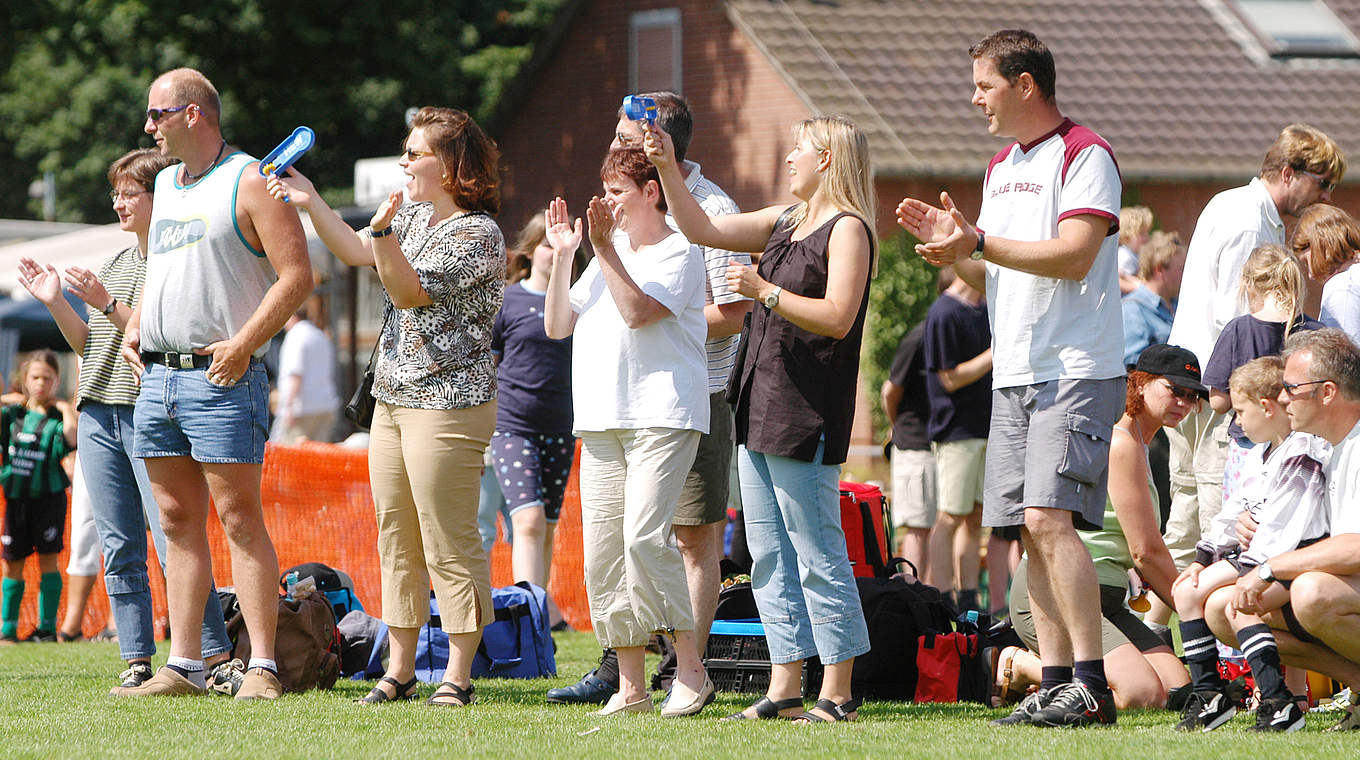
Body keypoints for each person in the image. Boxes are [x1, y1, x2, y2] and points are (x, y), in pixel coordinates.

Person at [896, 29, 1126, 727]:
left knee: (1050, 521)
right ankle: (1057, 681)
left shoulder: (1087, 154)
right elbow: (992, 268)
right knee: (1028, 530)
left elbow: (1076, 254)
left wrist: (981, 242)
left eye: (984, 86)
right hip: (1016, 374)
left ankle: (1092, 684)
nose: (975, 99)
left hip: (1075, 369)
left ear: (1025, 84)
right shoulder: (1000, 166)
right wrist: (956, 251)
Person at [267, 107, 505, 708]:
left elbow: (407, 290)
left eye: (415, 152)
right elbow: (352, 249)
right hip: (395, 401)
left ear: (450, 165)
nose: (404, 161)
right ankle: (398, 671)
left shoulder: (478, 234)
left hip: (450, 403)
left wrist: (381, 235)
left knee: (447, 538)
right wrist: (311, 198)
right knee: (395, 534)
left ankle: (457, 673)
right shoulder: (415, 216)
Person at [646, 113, 874, 723]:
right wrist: (667, 166)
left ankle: (840, 690)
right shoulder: (782, 220)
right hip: (758, 404)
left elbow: (838, 317)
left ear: (826, 158)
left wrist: (762, 290)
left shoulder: (848, 230)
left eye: (798, 149)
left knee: (817, 549)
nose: (789, 158)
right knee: (768, 554)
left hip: (808, 411)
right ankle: (784, 688)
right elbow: (696, 226)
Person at [113, 68, 313, 699]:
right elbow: (161, 267)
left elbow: (297, 277)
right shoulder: (167, 185)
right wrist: (136, 326)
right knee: (174, 521)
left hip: (223, 377)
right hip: (161, 383)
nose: (149, 127)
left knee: (239, 520)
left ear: (194, 113)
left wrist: (243, 346)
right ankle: (187, 666)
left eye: (158, 114)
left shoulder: (251, 180)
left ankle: (262, 667)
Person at [548, 91, 750, 706]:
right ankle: (631, 682)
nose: (605, 206)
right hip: (604, 416)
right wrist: (564, 258)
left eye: (616, 193)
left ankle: (691, 667)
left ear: (652, 187)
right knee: (605, 552)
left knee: (651, 539)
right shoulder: (612, 251)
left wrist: (603, 248)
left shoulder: (687, 236)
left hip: (671, 409)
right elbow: (560, 324)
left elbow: (645, 313)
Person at [15, 147, 233, 687]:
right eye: (115, 192)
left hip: (150, 411)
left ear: (162, 197)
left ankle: (213, 656)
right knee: (119, 546)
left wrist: (107, 300)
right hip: (97, 414)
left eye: (128, 192)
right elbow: (91, 346)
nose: (118, 202)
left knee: (172, 539)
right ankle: (137, 660)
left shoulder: (176, 258)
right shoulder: (113, 262)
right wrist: (56, 302)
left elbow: (159, 330)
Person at [1154, 124, 1345, 639]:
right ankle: (1217, 646)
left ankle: (1158, 628)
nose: (1325, 196)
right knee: (1219, 514)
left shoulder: (1228, 202)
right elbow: (1240, 316)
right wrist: (1259, 396)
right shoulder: (1249, 221)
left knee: (1188, 511)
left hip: (1197, 379)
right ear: (1289, 173)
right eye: (1322, 183)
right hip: (1225, 393)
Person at [997, 344, 1196, 711]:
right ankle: (1018, 663)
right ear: (1140, 383)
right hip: (1060, 592)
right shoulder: (1122, 440)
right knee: (1141, 695)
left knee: (1177, 690)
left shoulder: (1142, 442)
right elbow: (1145, 553)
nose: (1183, 402)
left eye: (1192, 395)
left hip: (1108, 600)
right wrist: (1199, 615)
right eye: (1174, 390)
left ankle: (1068, 675)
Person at [1201, 329, 1360, 732]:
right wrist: (1254, 521)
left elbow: (1355, 548)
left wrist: (1272, 566)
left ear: (1327, 392)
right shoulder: (1332, 445)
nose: (1283, 397)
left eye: (1292, 387)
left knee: (1312, 593)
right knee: (1226, 608)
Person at [1173, 356, 1328, 732]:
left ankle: (1276, 700)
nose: (1236, 421)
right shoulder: (1266, 452)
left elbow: (1285, 524)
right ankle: (1211, 693)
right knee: (1188, 590)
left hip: (1293, 558)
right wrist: (1203, 554)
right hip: (1262, 556)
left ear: (1266, 406)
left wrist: (1251, 569)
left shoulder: (1303, 449)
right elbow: (1237, 508)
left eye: (1240, 411)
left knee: (1234, 605)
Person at [489, 212, 577, 600]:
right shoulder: (507, 300)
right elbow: (486, 366)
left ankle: (537, 622)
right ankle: (527, 615)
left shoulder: (580, 301)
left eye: (560, 244)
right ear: (529, 251)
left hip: (560, 428)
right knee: (528, 520)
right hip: (512, 427)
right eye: (545, 244)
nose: (552, 252)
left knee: (548, 527)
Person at [1202, 245, 1322, 501]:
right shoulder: (1316, 331)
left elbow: (1218, 402)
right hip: (1304, 447)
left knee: (1242, 523)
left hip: (1249, 445)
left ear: (1249, 284)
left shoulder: (1238, 329)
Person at [922, 269, 992, 613]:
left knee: (975, 516)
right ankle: (942, 594)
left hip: (985, 427)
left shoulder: (985, 310)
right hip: (956, 431)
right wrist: (995, 354)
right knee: (950, 515)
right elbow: (949, 378)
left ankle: (969, 597)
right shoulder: (943, 313)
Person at [0, 351, 78, 644]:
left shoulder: (58, 416)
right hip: (17, 500)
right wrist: (13, 397)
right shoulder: (13, 414)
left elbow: (72, 439)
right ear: (24, 379)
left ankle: (46, 628)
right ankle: (7, 629)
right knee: (12, 562)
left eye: (47, 378)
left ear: (56, 380)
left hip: (49, 500)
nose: (40, 384)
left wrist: (65, 407)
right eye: (35, 377)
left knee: (48, 559)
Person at [882, 319, 935, 574]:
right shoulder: (919, 337)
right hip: (914, 446)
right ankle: (914, 593)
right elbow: (889, 391)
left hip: (940, 445)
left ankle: (933, 598)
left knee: (935, 527)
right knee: (917, 528)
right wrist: (898, 426)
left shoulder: (943, 332)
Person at [270, 304, 340, 444]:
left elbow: (295, 373)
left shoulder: (295, 335)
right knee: (318, 458)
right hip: (325, 405)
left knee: (291, 456)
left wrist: (288, 406)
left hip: (301, 410)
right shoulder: (320, 335)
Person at [1122, 231, 1186, 367]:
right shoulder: (1133, 309)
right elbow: (1132, 367)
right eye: (1181, 269)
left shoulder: (1179, 305)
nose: (1186, 275)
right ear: (1159, 270)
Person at [1298, 204, 1360, 339]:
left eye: (1307, 262)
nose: (1311, 275)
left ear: (1319, 245)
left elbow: (1346, 353)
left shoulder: (1342, 286)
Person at [1117, 206, 1153, 295]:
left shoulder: (1133, 255)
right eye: (1141, 234)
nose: (1147, 237)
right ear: (1126, 237)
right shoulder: (1125, 256)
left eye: (1147, 233)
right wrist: (1138, 288)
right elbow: (1117, 280)